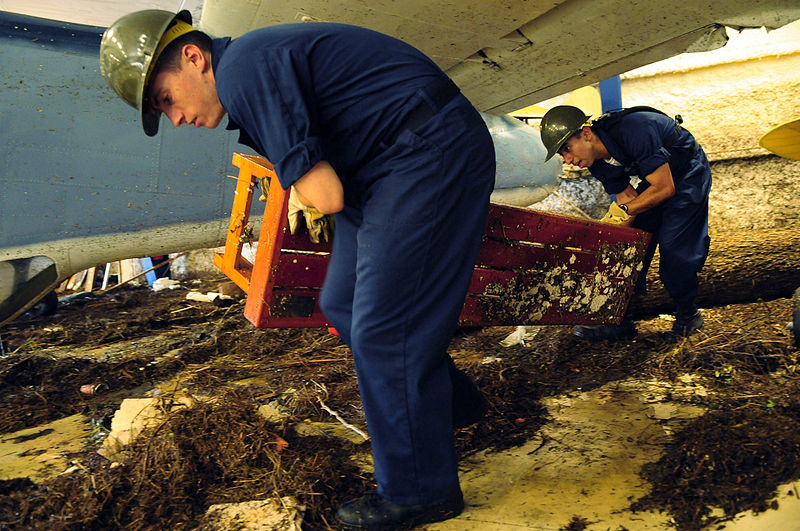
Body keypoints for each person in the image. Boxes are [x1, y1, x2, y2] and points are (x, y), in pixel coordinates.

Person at [99, 10, 495, 530]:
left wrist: (301, 184)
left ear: (193, 57)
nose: (175, 119)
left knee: (382, 329)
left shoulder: (242, 71)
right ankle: (446, 409)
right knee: (344, 304)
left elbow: (325, 196)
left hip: (424, 154)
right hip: (383, 167)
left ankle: (420, 492)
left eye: (166, 99)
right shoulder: (248, 68)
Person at [540, 105, 711, 340]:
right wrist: (612, 236)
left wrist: (622, 212)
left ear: (587, 133)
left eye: (567, 148)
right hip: (656, 181)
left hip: (687, 173)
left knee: (674, 248)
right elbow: (628, 199)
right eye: (562, 155)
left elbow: (665, 188)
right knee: (627, 245)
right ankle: (619, 321)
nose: (567, 160)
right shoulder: (595, 161)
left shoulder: (636, 129)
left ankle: (689, 316)